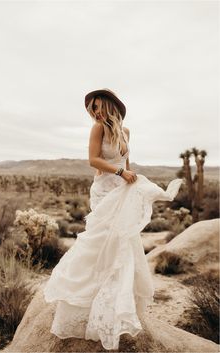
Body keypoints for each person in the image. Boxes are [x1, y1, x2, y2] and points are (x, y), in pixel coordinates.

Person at [43, 88, 183, 350]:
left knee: (123, 240)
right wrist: (120, 172)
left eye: (98, 106)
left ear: (110, 105)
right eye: (92, 108)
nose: (95, 112)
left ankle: (117, 303)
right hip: (104, 189)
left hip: (121, 187)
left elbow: (127, 164)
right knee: (101, 239)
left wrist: (131, 180)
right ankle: (87, 300)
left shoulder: (125, 132)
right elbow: (93, 160)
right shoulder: (97, 128)